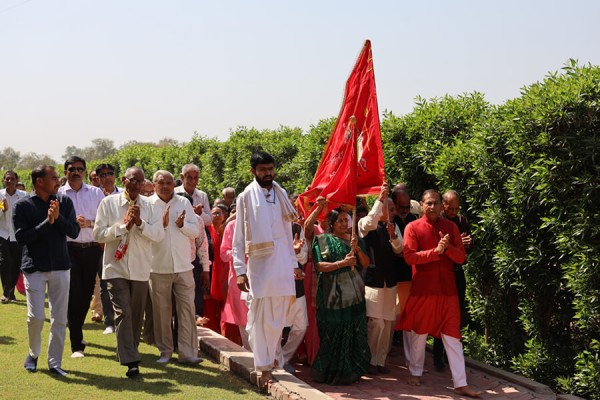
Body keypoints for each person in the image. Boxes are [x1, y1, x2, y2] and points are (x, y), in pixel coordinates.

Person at [398, 189, 480, 397]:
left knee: (453, 337)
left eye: (435, 203)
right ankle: (415, 372)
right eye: (428, 203)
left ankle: (460, 383)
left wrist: (448, 248)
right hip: (423, 290)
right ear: (422, 205)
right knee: (418, 333)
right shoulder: (412, 227)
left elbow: (461, 258)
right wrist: (435, 252)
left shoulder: (450, 227)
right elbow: (409, 257)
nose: (432, 207)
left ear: (441, 206)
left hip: (448, 292)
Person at [232, 151, 302, 390]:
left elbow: (286, 233)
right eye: (262, 170)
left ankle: (269, 360)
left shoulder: (281, 193)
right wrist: (240, 270)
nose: (268, 173)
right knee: (262, 320)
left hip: (282, 263)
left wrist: (294, 264)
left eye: (270, 169)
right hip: (260, 266)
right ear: (253, 171)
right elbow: (239, 238)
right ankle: (263, 368)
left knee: (278, 319)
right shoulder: (245, 197)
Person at [93, 167, 165, 377]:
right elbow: (98, 234)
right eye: (132, 180)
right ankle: (131, 360)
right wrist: (122, 227)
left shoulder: (150, 207)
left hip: (141, 269)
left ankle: (129, 350)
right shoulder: (109, 203)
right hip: (115, 268)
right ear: (124, 180)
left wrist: (140, 223)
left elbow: (158, 235)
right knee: (123, 311)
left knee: (135, 315)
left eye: (140, 182)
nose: (136, 185)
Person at [14, 165, 80, 376]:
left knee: (60, 318)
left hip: (61, 265)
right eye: (53, 178)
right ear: (39, 181)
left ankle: (54, 362)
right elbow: (22, 237)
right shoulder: (23, 205)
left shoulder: (65, 202)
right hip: (34, 267)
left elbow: (74, 231)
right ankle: (33, 354)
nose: (58, 181)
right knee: (36, 316)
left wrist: (58, 217)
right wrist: (47, 221)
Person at [310, 208, 371, 385]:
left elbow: (365, 263)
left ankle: (350, 371)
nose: (345, 224)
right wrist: (342, 263)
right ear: (332, 223)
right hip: (332, 295)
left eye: (347, 220)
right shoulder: (323, 240)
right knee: (332, 331)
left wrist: (357, 249)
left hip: (354, 294)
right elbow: (320, 266)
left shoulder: (355, 240)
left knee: (354, 330)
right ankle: (326, 372)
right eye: (341, 221)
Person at [148, 170, 201, 364]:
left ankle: (188, 353)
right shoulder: (147, 205)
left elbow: (195, 231)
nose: (165, 186)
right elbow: (145, 233)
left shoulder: (184, 202)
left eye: (169, 182)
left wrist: (181, 225)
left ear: (174, 184)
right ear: (154, 185)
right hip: (158, 266)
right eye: (161, 182)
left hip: (183, 266)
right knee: (162, 312)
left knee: (187, 310)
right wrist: (161, 226)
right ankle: (165, 352)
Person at [58, 156, 105, 358]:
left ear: (85, 172)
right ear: (66, 171)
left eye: (79, 169)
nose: (75, 172)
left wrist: (90, 223)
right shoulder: (58, 194)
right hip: (69, 249)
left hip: (92, 248)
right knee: (73, 293)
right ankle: (76, 343)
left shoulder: (96, 193)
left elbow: (105, 221)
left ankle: (76, 327)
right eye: (72, 169)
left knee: (86, 294)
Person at [358, 183, 404, 374]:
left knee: (386, 324)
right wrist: (380, 198)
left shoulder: (392, 226)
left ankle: (379, 362)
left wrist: (393, 237)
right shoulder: (365, 224)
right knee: (375, 322)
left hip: (389, 281)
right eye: (390, 208)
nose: (393, 212)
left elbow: (399, 249)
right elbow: (369, 222)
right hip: (373, 281)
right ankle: (368, 359)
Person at [432, 189, 473, 370]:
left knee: (457, 315)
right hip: (441, 273)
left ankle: (452, 353)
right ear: (444, 205)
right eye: (451, 208)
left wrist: (467, 245)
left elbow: (466, 252)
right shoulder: (437, 222)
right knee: (441, 314)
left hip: (457, 273)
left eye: (456, 209)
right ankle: (437, 355)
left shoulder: (462, 221)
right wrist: (456, 245)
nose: (454, 212)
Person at [391, 188, 418, 357]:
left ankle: (407, 351)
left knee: (406, 312)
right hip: (390, 274)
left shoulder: (413, 220)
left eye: (407, 206)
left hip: (408, 274)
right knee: (390, 315)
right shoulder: (388, 220)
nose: (404, 210)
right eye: (401, 206)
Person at [0, 171, 27, 303]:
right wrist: (2, 210)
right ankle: (6, 293)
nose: (9, 181)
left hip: (18, 235)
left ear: (17, 180)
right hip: (3, 234)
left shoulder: (23, 196)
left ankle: (10, 292)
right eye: (7, 179)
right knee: (5, 262)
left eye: (12, 179)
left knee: (16, 264)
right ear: (3, 181)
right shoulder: (0, 195)